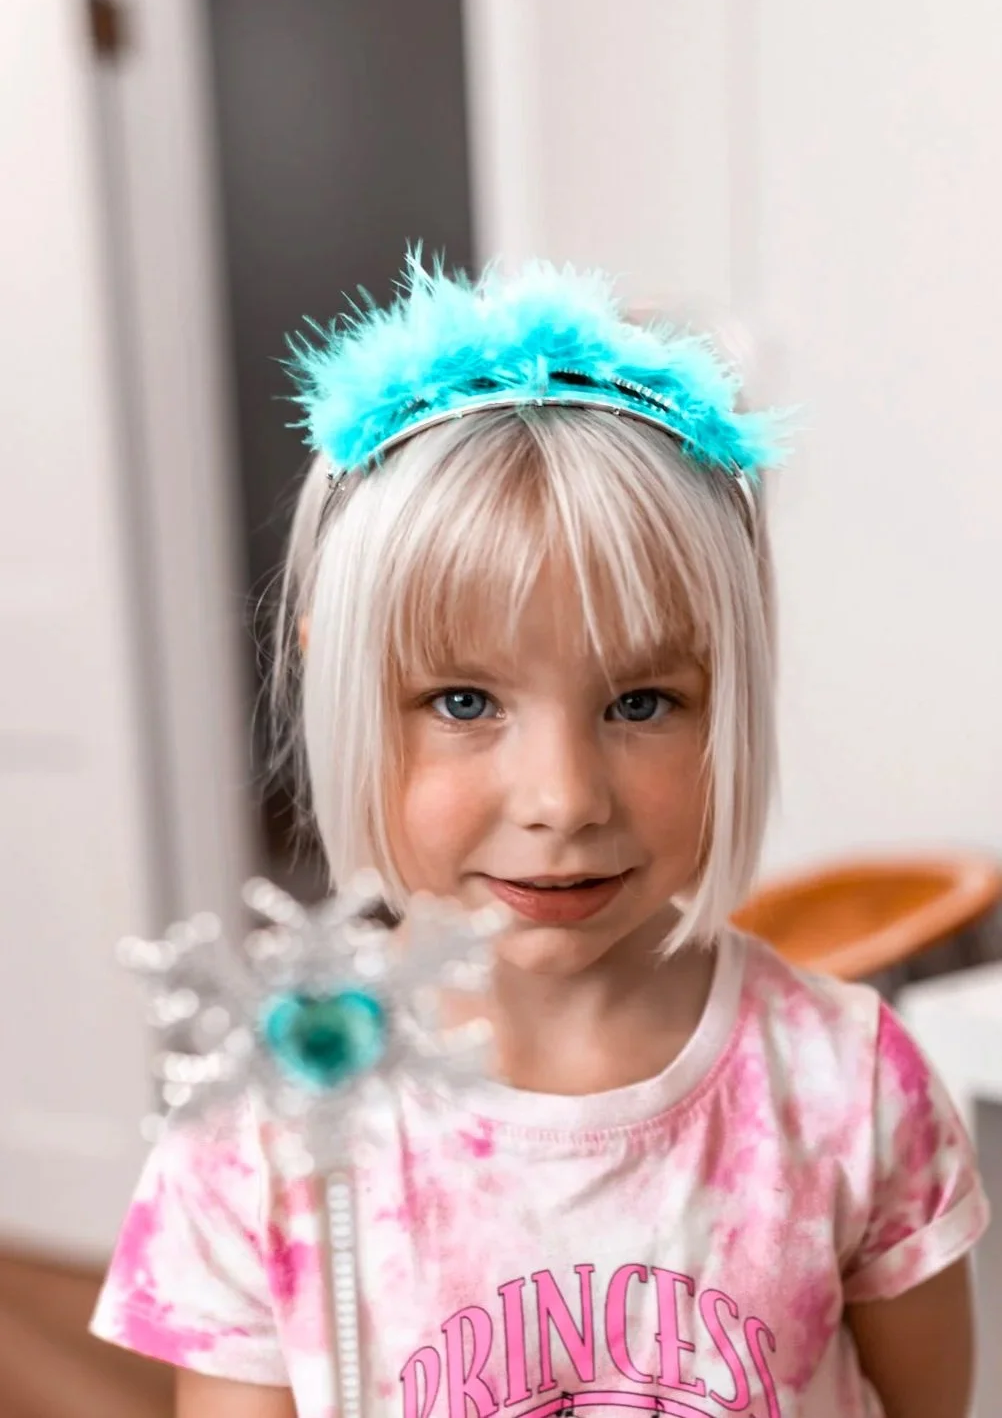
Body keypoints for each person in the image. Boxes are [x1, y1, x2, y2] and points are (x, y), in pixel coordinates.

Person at [91, 256, 989, 1418]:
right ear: (343, 683)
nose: (563, 798)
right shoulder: (260, 1134)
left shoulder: (850, 1088)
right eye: (464, 702)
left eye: (640, 703)